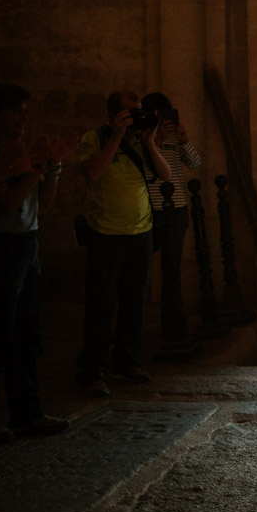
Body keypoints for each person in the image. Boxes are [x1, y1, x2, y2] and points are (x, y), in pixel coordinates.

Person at [0, 84, 77, 444]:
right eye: (15, 111)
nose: (23, 117)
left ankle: (28, 410)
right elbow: (8, 203)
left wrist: (51, 166)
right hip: (0, 246)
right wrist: (34, 169)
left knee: (27, 331)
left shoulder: (22, 152)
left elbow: (47, 203)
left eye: (25, 110)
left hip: (28, 242)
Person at [74, 91, 172, 396]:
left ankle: (126, 362)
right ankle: (93, 370)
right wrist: (116, 135)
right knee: (101, 305)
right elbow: (92, 172)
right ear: (113, 114)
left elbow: (165, 175)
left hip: (140, 234)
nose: (135, 117)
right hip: (105, 234)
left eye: (138, 112)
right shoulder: (95, 138)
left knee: (134, 302)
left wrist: (149, 142)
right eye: (129, 113)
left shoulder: (139, 142)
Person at [140, 92, 201, 341]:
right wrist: (155, 140)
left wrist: (184, 140)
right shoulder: (142, 140)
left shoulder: (175, 138)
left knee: (172, 271)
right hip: (150, 210)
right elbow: (145, 170)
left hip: (176, 209)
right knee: (139, 270)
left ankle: (173, 327)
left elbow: (196, 163)